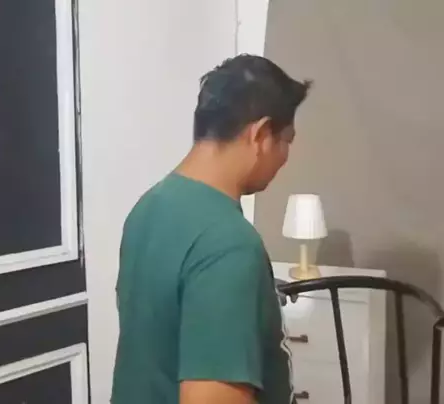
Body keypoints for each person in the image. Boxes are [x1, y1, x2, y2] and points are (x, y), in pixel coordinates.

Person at [111, 54, 311, 404]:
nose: (285, 156)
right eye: (287, 140)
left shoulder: (148, 208)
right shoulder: (229, 244)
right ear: (261, 134)